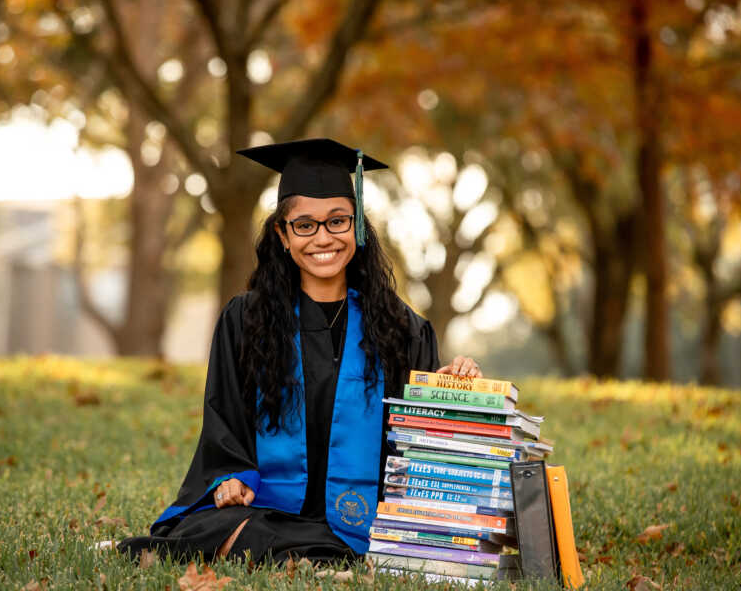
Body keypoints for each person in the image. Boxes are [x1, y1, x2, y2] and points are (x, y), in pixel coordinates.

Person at [118, 138, 482, 564]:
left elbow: (418, 442)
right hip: (267, 509)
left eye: (337, 222)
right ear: (282, 235)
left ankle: (297, 551)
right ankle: (315, 553)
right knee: (214, 523)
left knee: (232, 540)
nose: (322, 238)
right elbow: (225, 423)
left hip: (367, 515)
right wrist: (230, 478)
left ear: (358, 226)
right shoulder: (246, 320)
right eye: (304, 225)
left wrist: (452, 386)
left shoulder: (402, 329)